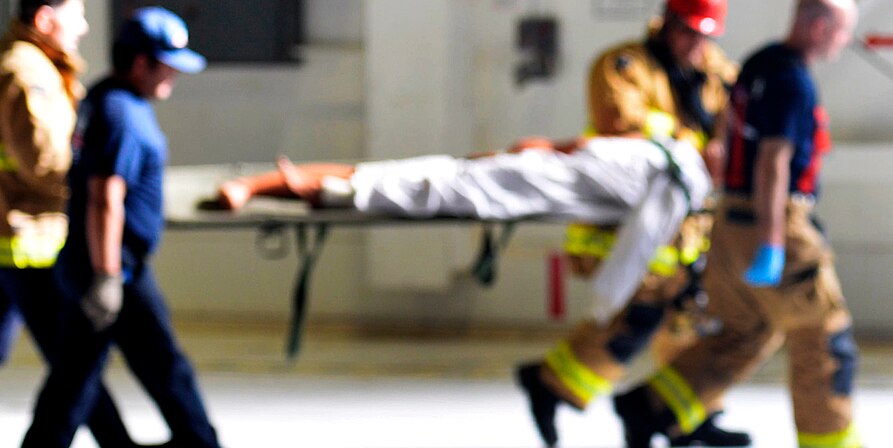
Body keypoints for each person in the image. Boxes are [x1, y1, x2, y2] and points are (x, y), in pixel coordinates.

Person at [6, 8, 286, 448]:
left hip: (102, 264)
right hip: (114, 270)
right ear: (139, 62)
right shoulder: (122, 114)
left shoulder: (109, 100)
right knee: (158, 373)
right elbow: (104, 197)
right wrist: (108, 277)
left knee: (82, 376)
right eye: (167, 64)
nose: (174, 75)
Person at [612, 0, 890, 448]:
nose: (843, 41)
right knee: (821, 332)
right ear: (820, 26)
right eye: (842, 31)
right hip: (772, 218)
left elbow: (727, 140)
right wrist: (774, 239)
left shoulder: (758, 65)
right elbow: (773, 163)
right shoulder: (793, 81)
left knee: (745, 331)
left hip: (730, 221)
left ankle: (649, 407)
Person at [0, 0, 171, 448]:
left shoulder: (15, 59)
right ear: (44, 20)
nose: (82, 27)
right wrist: (99, 179)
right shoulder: (28, 72)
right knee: (74, 348)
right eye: (74, 17)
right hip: (20, 236)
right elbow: (41, 161)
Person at [514, 0, 751, 448]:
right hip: (629, 223)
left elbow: (740, 111)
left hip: (689, 226)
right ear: (665, 22)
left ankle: (691, 414)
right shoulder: (623, 65)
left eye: (706, 35)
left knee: (695, 318)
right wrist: (695, 144)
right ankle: (551, 383)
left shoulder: (717, 70)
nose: (696, 44)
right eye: (688, 32)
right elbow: (619, 123)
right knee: (638, 317)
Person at [214, 133, 712, 324]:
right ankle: (266, 183)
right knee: (396, 182)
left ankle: (264, 184)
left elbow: (640, 235)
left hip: (525, 183)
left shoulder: (677, 173)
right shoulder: (673, 160)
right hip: (523, 176)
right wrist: (605, 305)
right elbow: (593, 150)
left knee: (401, 179)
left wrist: (606, 301)